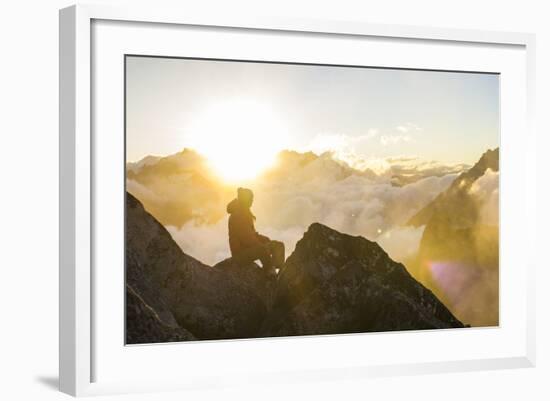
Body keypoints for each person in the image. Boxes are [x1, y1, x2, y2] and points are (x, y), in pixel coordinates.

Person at [226, 188, 285, 276]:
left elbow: (251, 234)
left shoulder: (244, 212)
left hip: (247, 249)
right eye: (250, 198)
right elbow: (246, 239)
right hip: (239, 255)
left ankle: (278, 272)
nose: (252, 201)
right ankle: (270, 272)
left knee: (278, 245)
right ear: (245, 199)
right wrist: (263, 246)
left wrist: (264, 239)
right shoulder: (237, 215)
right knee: (262, 249)